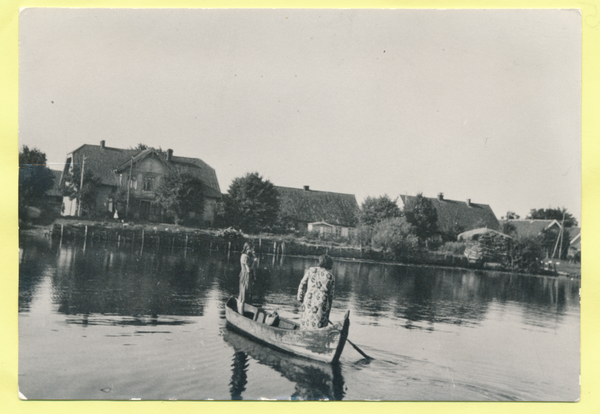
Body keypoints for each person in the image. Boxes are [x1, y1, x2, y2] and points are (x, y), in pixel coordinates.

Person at [297, 254, 335, 329]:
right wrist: (328, 310)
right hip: (321, 302)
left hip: (308, 299)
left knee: (306, 319)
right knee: (319, 323)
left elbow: (302, 284)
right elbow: (331, 295)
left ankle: (304, 334)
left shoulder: (311, 270)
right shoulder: (331, 277)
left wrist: (300, 297)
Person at [238, 242, 255, 314]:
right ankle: (241, 314)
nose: (253, 250)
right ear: (248, 248)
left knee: (241, 295)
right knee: (244, 296)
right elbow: (248, 270)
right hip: (246, 276)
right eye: (252, 248)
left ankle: (240, 313)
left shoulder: (244, 255)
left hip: (243, 275)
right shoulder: (246, 257)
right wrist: (254, 263)